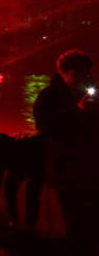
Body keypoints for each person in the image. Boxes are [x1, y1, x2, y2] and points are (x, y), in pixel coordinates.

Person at [33, 49, 99, 248]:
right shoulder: (49, 95)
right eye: (77, 73)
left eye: (85, 73)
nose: (83, 78)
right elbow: (45, 126)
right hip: (65, 163)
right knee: (71, 211)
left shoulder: (91, 92)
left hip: (90, 161)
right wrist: (76, 110)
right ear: (64, 72)